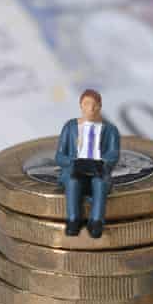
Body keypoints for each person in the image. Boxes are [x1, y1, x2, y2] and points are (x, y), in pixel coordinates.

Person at [54, 89, 121, 238]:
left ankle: (96, 221)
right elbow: (59, 156)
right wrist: (71, 161)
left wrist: (103, 162)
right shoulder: (70, 127)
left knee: (99, 182)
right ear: (80, 106)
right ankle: (73, 219)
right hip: (75, 167)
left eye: (94, 105)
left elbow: (114, 153)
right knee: (73, 181)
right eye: (86, 104)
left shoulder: (110, 130)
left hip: (98, 168)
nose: (90, 108)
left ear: (100, 107)